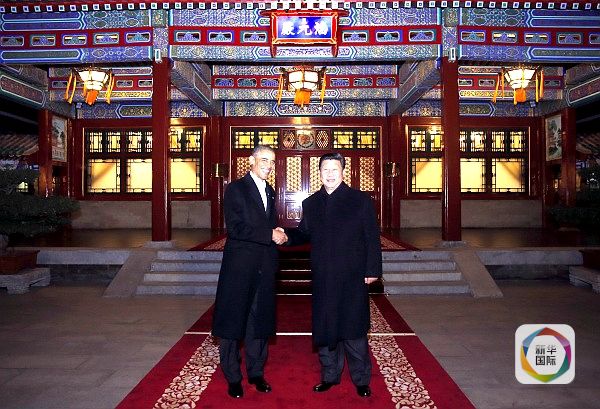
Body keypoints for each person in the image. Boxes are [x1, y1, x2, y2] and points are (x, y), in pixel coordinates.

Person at [285, 152, 382, 398]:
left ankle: (361, 379)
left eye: (334, 169)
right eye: (325, 169)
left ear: (343, 172)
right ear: (319, 173)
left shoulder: (360, 200)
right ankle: (330, 375)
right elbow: (304, 233)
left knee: (354, 328)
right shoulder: (311, 203)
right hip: (323, 275)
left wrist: (372, 270)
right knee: (326, 327)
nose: (329, 174)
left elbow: (371, 237)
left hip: (352, 274)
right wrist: (285, 236)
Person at [212, 145, 288, 398]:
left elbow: (267, 223)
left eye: (272, 161)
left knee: (260, 322)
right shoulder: (236, 188)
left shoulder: (270, 191)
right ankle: (233, 377)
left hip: (264, 266)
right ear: (251, 161)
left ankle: (256, 373)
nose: (268, 165)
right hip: (239, 266)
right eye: (264, 160)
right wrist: (269, 234)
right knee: (233, 321)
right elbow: (236, 228)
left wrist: (278, 232)